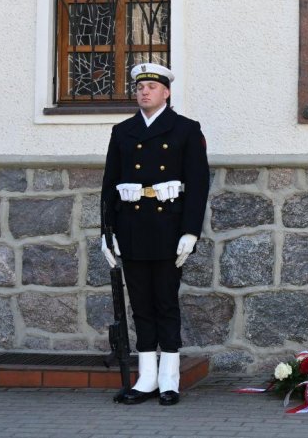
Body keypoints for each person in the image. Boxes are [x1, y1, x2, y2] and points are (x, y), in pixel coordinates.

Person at [100, 63, 209, 406]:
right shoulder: (123, 131)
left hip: (168, 229)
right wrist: (107, 232)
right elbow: (109, 186)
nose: (143, 92)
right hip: (132, 227)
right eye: (139, 87)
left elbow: (198, 185)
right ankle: (146, 377)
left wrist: (191, 231)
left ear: (166, 92)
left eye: (151, 86)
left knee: (165, 302)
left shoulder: (186, 130)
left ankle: (169, 379)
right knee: (141, 306)